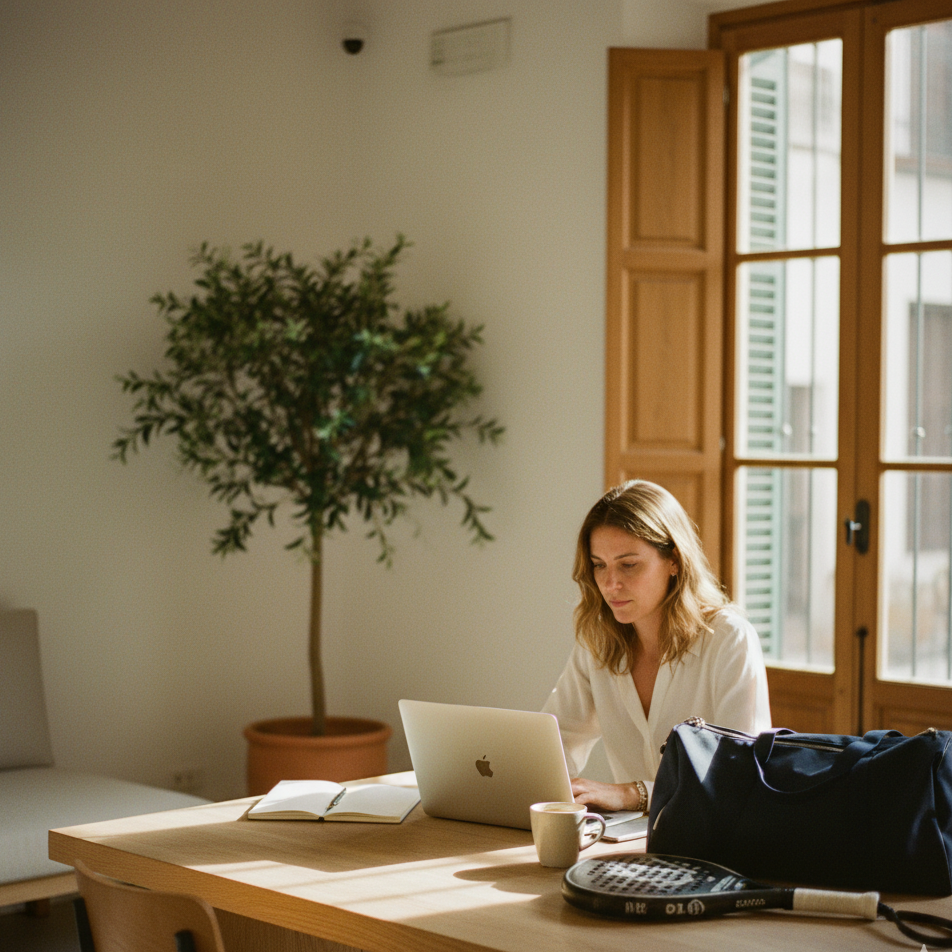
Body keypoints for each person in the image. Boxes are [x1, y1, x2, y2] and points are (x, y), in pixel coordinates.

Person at [542, 479, 771, 814]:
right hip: (631, 838)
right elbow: (555, 746)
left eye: (628, 564)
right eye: (599, 564)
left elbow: (739, 777)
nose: (610, 583)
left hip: (713, 838)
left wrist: (634, 794)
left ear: (674, 560)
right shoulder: (598, 641)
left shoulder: (729, 639)